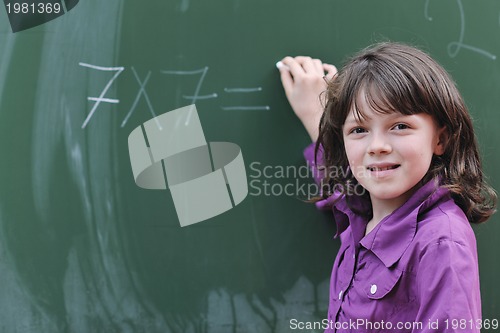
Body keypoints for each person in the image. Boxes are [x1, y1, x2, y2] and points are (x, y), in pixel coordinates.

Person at [278, 42, 497, 332]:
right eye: (359, 130)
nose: (377, 146)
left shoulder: (441, 241)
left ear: (440, 140)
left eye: (400, 126)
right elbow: (342, 188)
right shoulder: (361, 213)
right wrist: (314, 117)